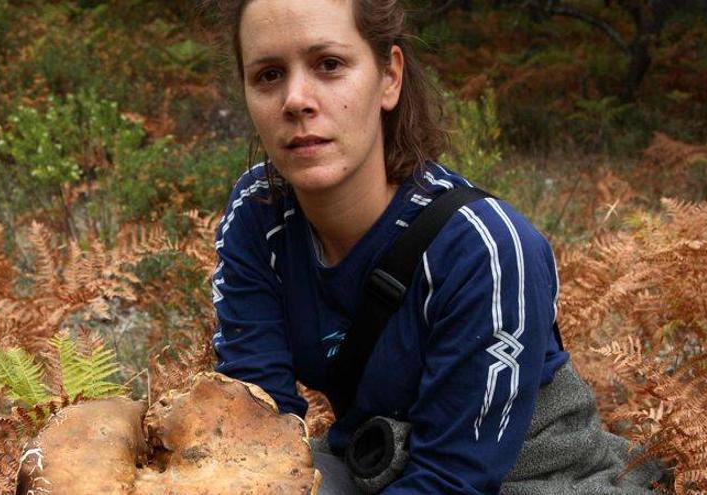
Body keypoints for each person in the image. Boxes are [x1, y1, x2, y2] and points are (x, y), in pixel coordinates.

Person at [207, 0, 662, 493]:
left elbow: (451, 479)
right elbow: (255, 427)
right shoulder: (260, 214)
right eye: (269, 75)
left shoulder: (481, 248)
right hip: (379, 461)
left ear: (389, 78)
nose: (296, 98)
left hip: (533, 476)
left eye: (329, 65)